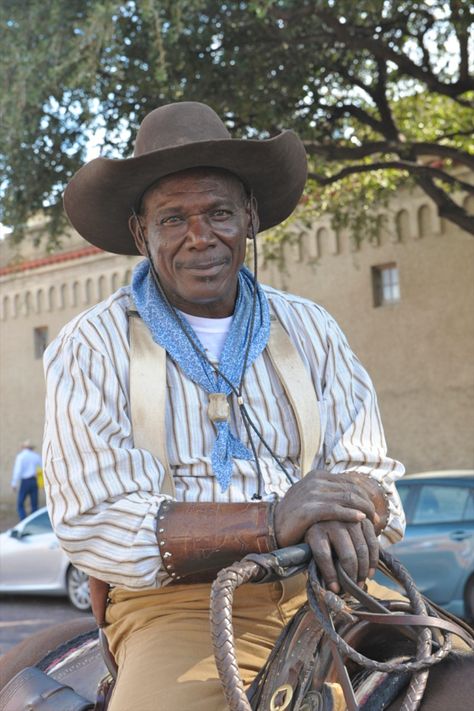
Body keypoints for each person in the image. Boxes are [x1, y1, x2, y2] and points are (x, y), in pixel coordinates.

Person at [43, 102, 405, 711]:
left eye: (218, 212)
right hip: (178, 605)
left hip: (331, 585)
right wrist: (272, 520)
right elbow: (97, 518)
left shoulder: (311, 328)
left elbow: (373, 475)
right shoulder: (91, 345)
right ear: (141, 233)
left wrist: (351, 505)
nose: (200, 237)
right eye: (172, 219)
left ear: (251, 218)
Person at [11, 440, 41, 520]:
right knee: (34, 504)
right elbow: (41, 469)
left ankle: (23, 519)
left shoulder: (21, 456)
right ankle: (34, 521)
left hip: (25, 481)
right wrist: (41, 482)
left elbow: (17, 471)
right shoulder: (36, 456)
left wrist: (14, 483)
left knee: (20, 503)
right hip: (34, 481)